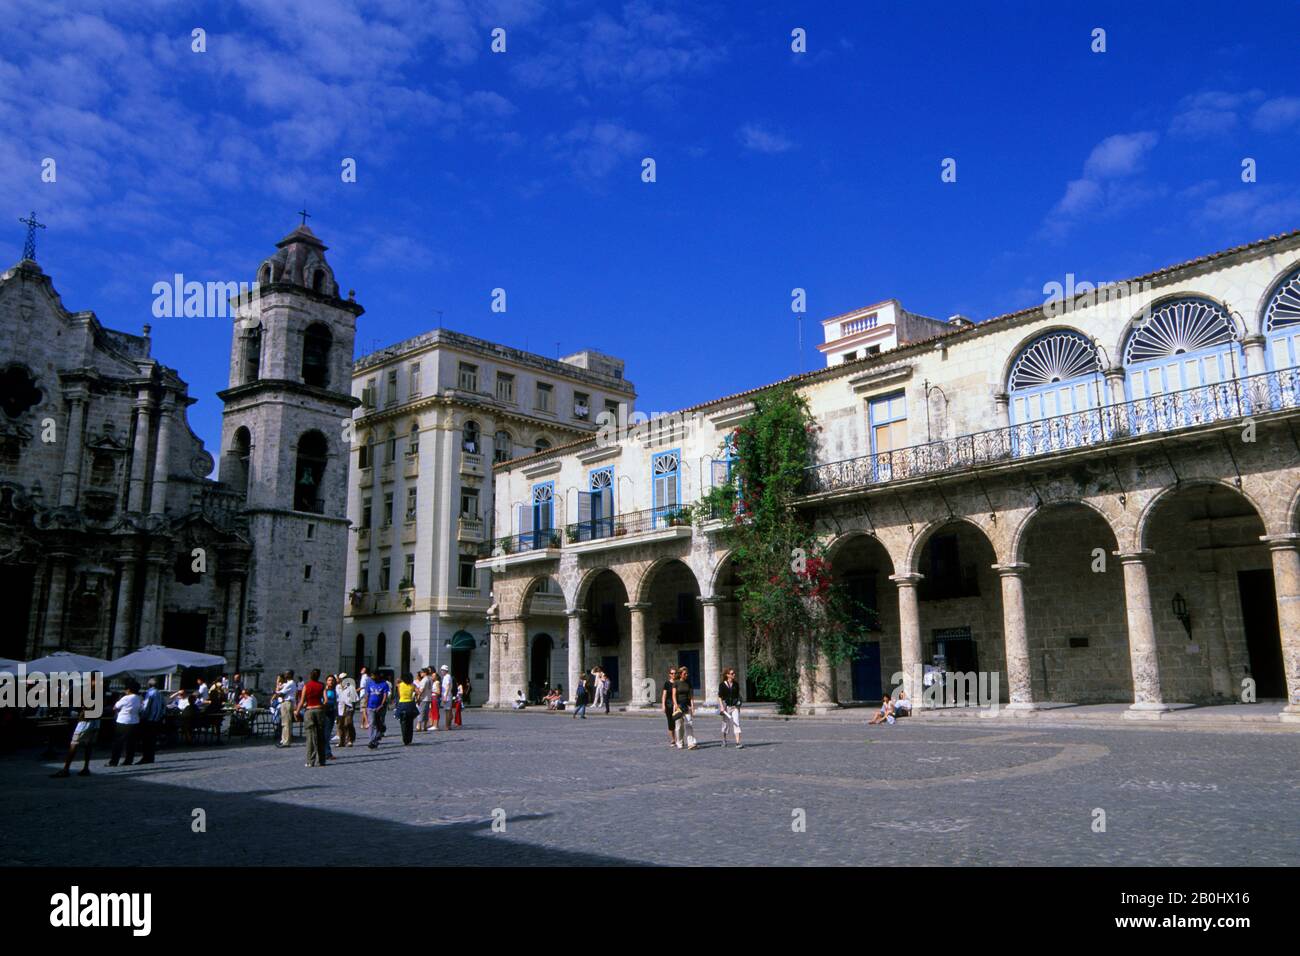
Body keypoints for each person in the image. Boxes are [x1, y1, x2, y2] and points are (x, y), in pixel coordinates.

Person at [52, 676, 99, 778]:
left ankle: (66, 769)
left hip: (86, 720)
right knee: (88, 745)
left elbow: (83, 704)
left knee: (74, 744)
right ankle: (86, 767)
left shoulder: (91, 691)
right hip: (95, 721)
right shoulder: (100, 691)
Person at [107, 680, 144, 766]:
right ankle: (128, 760)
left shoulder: (125, 698)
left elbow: (115, 707)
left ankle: (114, 761)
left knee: (118, 743)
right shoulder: (139, 698)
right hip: (134, 721)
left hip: (123, 721)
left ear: (129, 690)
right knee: (131, 743)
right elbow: (141, 709)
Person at [296, 669, 327, 767]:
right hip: (319, 710)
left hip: (309, 711)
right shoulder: (322, 685)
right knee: (320, 735)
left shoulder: (307, 686)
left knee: (310, 737)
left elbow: (302, 701)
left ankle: (310, 761)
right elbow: (326, 700)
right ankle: (321, 760)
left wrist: (297, 711)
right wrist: (322, 705)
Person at [138, 677, 166, 764]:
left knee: (146, 740)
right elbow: (163, 707)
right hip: (157, 720)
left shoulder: (149, 693)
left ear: (149, 685)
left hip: (149, 719)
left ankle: (146, 757)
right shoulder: (160, 694)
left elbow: (146, 708)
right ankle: (150, 757)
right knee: (152, 740)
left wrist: (142, 716)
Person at [671, 666, 697, 750]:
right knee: (679, 725)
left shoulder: (688, 683)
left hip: (686, 705)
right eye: (685, 674)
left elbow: (691, 696)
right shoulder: (676, 683)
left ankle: (690, 743)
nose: (686, 675)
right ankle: (679, 742)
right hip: (678, 705)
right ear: (681, 674)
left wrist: (692, 706)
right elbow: (674, 695)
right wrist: (676, 705)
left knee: (689, 724)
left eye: (687, 673)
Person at [718, 667, 743, 748]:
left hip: (735, 706)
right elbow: (720, 697)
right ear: (727, 675)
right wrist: (721, 707)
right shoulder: (722, 685)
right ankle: (724, 740)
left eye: (734, 673)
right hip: (726, 707)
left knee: (736, 723)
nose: (734, 675)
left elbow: (738, 695)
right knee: (725, 724)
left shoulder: (736, 684)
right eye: (732, 674)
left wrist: (738, 705)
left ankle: (738, 742)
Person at [366, 670, 390, 749]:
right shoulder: (369, 683)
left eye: (374, 676)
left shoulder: (384, 684)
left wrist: (382, 705)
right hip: (370, 706)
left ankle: (378, 735)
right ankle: (372, 740)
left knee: (379, 723)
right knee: (372, 723)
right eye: (371, 676)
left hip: (380, 707)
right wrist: (366, 704)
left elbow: (385, 695)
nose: (372, 677)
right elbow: (367, 694)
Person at [395, 672, 418, 745]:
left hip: (402, 704)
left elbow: (399, 695)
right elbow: (418, 692)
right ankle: (409, 739)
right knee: (410, 723)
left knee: (403, 723)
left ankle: (405, 738)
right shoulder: (413, 685)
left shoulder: (399, 685)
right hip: (410, 704)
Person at [276, 671, 297, 747]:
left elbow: (281, 693)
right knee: (284, 722)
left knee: (287, 722)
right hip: (285, 702)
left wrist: (277, 692)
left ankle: (286, 741)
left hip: (287, 702)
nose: (284, 675)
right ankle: (283, 739)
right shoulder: (288, 683)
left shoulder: (290, 683)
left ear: (290, 675)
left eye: (286, 673)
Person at [337, 674, 357, 747]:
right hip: (340, 707)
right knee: (340, 725)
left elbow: (354, 699)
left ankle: (350, 740)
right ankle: (341, 741)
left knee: (348, 723)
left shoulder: (351, 687)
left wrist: (353, 708)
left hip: (349, 707)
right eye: (341, 679)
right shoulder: (337, 687)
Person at [660, 666, 678, 746]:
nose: (674, 674)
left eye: (675, 673)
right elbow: (664, 695)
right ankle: (673, 739)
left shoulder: (678, 682)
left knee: (678, 723)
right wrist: (663, 705)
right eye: (672, 673)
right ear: (669, 674)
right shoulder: (667, 683)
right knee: (671, 723)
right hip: (669, 705)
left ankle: (679, 739)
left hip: (677, 705)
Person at [322, 675, 339, 760]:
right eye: (329, 680)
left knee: (327, 733)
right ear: (326, 681)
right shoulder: (324, 690)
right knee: (324, 734)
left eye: (332, 680)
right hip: (324, 712)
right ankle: (326, 752)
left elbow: (336, 703)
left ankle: (327, 752)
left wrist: (337, 715)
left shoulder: (335, 691)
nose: (331, 682)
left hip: (331, 712)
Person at [438, 665, 455, 731]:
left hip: (447, 696)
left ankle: (447, 726)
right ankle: (448, 725)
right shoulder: (446, 677)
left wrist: (445, 696)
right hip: (447, 695)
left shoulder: (447, 677)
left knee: (447, 711)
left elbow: (447, 686)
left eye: (442, 670)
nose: (441, 671)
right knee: (448, 711)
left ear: (445, 671)